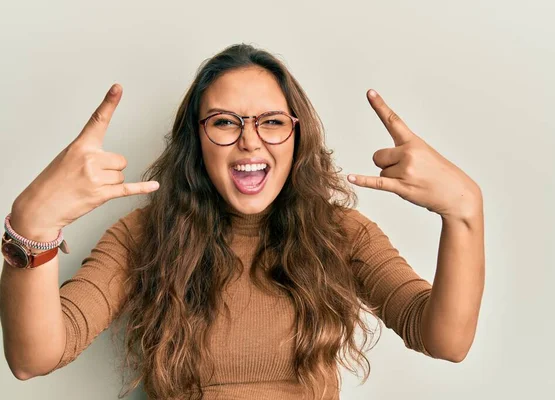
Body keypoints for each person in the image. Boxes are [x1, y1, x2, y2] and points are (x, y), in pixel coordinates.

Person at [0, 43, 485, 400]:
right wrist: (30, 227)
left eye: (271, 121)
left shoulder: (341, 234)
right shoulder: (142, 236)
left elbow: (445, 339)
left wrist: (465, 214)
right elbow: (32, 359)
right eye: (225, 121)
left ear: (297, 137)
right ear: (198, 138)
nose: (250, 141)